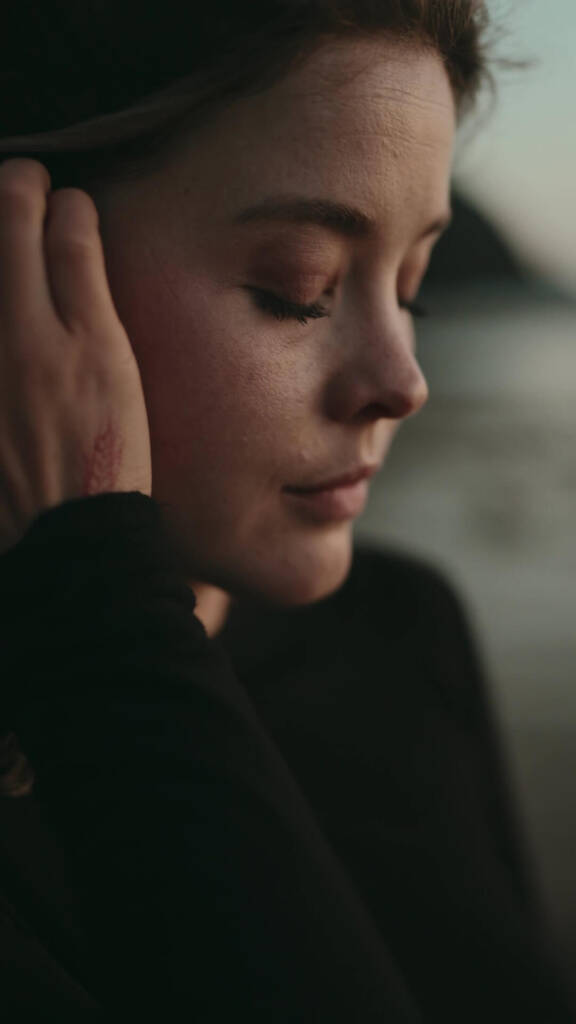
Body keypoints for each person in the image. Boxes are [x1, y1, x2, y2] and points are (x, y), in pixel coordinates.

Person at [0, 1, 573, 1018]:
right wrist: (98, 595)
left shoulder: (399, 633)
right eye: (297, 288)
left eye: (412, 287)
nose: (404, 382)